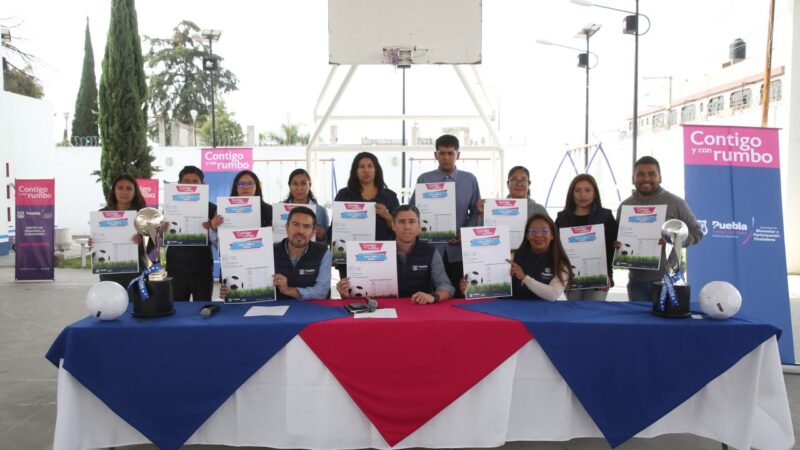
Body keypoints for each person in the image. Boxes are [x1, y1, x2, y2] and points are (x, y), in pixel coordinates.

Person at [616, 156, 703, 301]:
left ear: (660, 177)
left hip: (669, 279)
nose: (646, 178)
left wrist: (675, 240)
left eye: (652, 174)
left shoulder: (676, 203)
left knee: (668, 323)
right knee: (639, 322)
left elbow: (697, 232)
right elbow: (619, 238)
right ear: (633, 178)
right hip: (636, 282)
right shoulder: (625, 206)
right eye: (640, 174)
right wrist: (617, 245)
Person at [336, 205, 455, 304]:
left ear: (418, 226)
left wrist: (433, 297)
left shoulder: (431, 251)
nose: (407, 226)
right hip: (385, 310)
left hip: (419, 309)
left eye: (412, 221)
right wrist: (346, 291)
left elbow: (447, 286)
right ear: (393, 226)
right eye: (402, 222)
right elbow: (360, 292)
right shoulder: (374, 251)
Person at [409, 134, 481, 297]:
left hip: (459, 250)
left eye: (450, 153)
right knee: (429, 294)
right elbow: (413, 212)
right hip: (429, 248)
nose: (446, 157)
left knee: (458, 294)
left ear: (458, 155)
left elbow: (476, 212)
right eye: (442, 153)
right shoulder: (424, 179)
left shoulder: (469, 180)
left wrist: (465, 235)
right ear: (436, 155)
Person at [220, 206, 331, 300]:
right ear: (287, 227)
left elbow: (322, 292)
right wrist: (232, 292)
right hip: (274, 312)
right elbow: (250, 283)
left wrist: (288, 290)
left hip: (311, 311)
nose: (300, 231)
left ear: (313, 232)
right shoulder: (268, 251)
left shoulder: (323, 253)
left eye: (306, 226)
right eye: (295, 224)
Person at [332, 152, 400, 277]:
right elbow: (335, 228)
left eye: (370, 166)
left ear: (376, 170)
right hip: (350, 260)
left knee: (383, 294)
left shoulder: (389, 196)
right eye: (361, 167)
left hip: (382, 257)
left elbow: (400, 230)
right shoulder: (344, 195)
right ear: (355, 171)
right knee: (351, 295)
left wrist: (387, 216)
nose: (366, 170)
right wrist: (335, 253)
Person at [556, 174, 618, 301]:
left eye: (588, 190)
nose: (582, 195)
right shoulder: (562, 218)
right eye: (577, 190)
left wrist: (609, 276)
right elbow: (556, 249)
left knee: (594, 316)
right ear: (572, 194)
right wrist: (561, 276)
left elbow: (611, 250)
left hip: (599, 278)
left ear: (595, 193)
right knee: (575, 315)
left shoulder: (606, 216)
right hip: (571, 278)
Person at [165, 166, 223, 301]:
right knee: (177, 313)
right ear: (179, 184)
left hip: (202, 270)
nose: (191, 185)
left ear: (203, 185)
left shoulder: (214, 209)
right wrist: (161, 233)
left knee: (202, 311)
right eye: (186, 181)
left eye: (195, 181)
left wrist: (212, 228)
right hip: (175, 269)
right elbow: (159, 243)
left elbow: (220, 244)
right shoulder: (169, 208)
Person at [489, 213, 574, 301]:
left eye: (544, 230)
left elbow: (552, 295)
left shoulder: (561, 263)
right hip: (511, 312)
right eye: (533, 230)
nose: (538, 235)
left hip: (545, 312)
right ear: (527, 235)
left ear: (552, 235)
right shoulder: (512, 257)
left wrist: (524, 277)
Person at [96, 174, 148, 288]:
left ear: (135, 192)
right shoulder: (102, 214)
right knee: (111, 305)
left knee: (135, 305)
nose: (124, 192)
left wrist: (142, 242)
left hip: (136, 273)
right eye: (120, 188)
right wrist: (94, 242)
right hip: (109, 273)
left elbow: (152, 248)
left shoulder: (142, 215)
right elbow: (98, 242)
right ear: (113, 191)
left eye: (129, 188)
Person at [477, 166, 549, 224]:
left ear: (529, 184)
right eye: (514, 180)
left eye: (523, 180)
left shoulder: (539, 210)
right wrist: (483, 214)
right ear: (508, 184)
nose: (519, 184)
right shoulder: (494, 209)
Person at [284, 168, 329, 241]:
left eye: (303, 183)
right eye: (295, 184)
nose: (299, 188)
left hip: (313, 251)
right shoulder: (279, 210)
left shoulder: (320, 211)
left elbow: (326, 240)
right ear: (289, 186)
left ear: (310, 185)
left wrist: (322, 235)